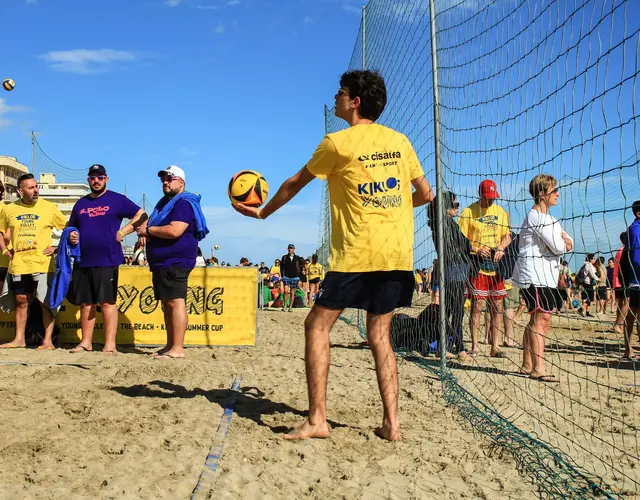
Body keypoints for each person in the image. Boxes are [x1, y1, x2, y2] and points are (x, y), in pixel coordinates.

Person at [233, 70, 433, 441]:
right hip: (396, 254)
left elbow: (294, 183)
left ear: (355, 101)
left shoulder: (337, 143)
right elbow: (426, 193)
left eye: (341, 93)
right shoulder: (400, 141)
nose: (337, 97)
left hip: (357, 253)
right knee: (380, 335)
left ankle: (317, 420)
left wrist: (262, 214)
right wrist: (391, 207)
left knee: (316, 326)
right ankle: (392, 424)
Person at [67, 164, 146, 354]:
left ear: (106, 179)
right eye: (93, 177)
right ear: (88, 180)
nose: (96, 181)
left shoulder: (116, 199)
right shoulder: (81, 203)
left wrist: (124, 231)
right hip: (83, 259)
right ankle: (86, 342)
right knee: (86, 303)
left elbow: (142, 214)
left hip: (108, 259)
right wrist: (72, 235)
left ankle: (110, 345)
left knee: (107, 302)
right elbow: (71, 227)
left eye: (100, 177)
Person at [135, 165, 208, 360]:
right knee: (167, 304)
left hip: (175, 260)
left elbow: (175, 230)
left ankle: (177, 348)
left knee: (176, 303)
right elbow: (157, 227)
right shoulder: (165, 204)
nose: (165, 182)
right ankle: (170, 345)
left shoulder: (183, 203)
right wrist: (146, 233)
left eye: (170, 178)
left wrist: (148, 231)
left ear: (181, 182)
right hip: (162, 261)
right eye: (163, 179)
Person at [512, 174, 573, 382]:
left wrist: (563, 243)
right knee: (541, 318)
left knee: (539, 319)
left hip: (547, 275)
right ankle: (538, 368)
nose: (557, 193)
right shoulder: (535, 216)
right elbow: (559, 245)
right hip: (535, 274)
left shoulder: (551, 219)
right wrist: (561, 243)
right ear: (541, 194)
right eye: (553, 190)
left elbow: (568, 241)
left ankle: (527, 364)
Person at [0, 173, 67, 350]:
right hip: (19, 265)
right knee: (21, 300)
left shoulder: (49, 208)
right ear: (20, 191)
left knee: (45, 303)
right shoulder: (9, 209)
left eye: (36, 186)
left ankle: (48, 341)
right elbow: (1, 231)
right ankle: (19, 339)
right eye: (31, 188)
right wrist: (5, 249)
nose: (36, 190)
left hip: (43, 264)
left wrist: (56, 248)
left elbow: (68, 229)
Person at [458, 179, 511, 358]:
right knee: (477, 305)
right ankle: (474, 346)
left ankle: (494, 346)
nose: (490, 201)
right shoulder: (468, 213)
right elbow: (460, 240)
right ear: (480, 194)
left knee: (497, 306)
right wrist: (476, 249)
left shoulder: (501, 212)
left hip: (496, 266)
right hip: (477, 265)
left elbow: (507, 236)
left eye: (493, 197)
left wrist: (502, 248)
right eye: (487, 197)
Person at [427, 191, 470, 360]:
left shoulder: (445, 224)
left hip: (453, 270)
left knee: (451, 311)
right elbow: (462, 245)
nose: (457, 208)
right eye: (455, 204)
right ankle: (459, 349)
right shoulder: (445, 225)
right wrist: (469, 248)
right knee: (455, 312)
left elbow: (464, 245)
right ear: (445, 207)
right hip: (453, 271)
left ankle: (448, 346)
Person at [621, 201, 640, 361]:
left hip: (635, 279)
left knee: (633, 316)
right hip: (637, 280)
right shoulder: (635, 229)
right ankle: (628, 350)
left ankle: (629, 350)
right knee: (633, 316)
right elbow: (635, 257)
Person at [279, 244, 305, 312]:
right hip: (286, 276)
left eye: (291, 248)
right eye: (289, 248)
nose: (290, 249)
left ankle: (290, 307)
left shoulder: (297, 257)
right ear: (287, 249)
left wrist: (300, 276)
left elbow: (302, 266)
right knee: (285, 291)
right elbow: (281, 267)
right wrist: (282, 275)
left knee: (292, 293)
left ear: (294, 249)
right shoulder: (284, 257)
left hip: (295, 277)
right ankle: (285, 305)